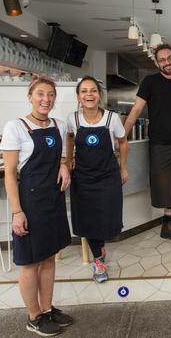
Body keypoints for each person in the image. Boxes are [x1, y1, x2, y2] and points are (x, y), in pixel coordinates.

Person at [1, 77, 74, 336]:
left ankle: (47, 308)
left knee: (49, 256)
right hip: (30, 202)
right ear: (30, 96)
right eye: (40, 94)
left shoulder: (58, 124)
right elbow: (10, 173)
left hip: (53, 199)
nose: (46, 99)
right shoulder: (16, 127)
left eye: (50, 94)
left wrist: (64, 164)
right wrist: (17, 212)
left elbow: (62, 156)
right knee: (31, 261)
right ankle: (33, 316)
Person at [124, 44, 171, 244]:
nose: (167, 62)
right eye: (162, 60)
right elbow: (136, 110)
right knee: (165, 187)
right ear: (157, 63)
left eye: (169, 58)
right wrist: (123, 134)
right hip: (159, 144)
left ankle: (168, 226)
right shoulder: (150, 82)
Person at [66, 76, 128, 283]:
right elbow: (69, 138)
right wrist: (68, 161)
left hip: (107, 175)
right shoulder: (73, 119)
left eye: (93, 91)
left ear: (99, 95)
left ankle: (100, 247)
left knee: (107, 216)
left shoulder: (112, 118)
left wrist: (123, 168)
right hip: (83, 177)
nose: (89, 95)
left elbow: (123, 142)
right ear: (78, 96)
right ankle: (99, 260)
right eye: (84, 91)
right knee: (88, 219)